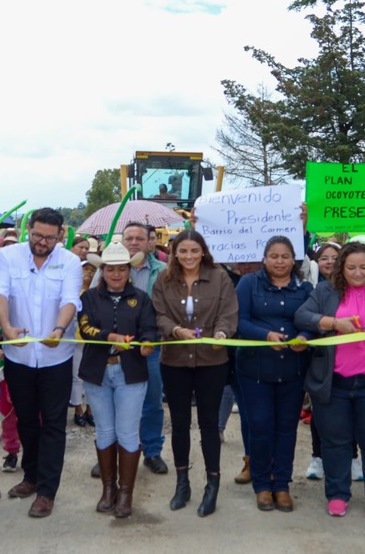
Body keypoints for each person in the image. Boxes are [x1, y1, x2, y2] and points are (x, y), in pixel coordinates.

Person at [294, 241, 365, 521]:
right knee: (335, 443)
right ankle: (337, 494)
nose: (358, 273)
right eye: (351, 267)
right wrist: (333, 323)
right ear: (341, 267)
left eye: (364, 267)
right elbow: (302, 316)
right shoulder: (324, 291)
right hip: (333, 384)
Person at [0, 208, 82, 518]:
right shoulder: (8, 257)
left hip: (57, 357)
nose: (42, 242)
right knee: (27, 420)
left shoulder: (69, 262)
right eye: (38, 235)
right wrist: (6, 328)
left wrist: (59, 329)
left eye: (50, 238)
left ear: (61, 235)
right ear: (28, 228)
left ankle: (47, 491)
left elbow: (71, 299)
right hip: (19, 356)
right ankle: (30, 476)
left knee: (54, 424)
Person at [152, 229, 238, 517]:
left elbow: (228, 311)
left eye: (194, 251)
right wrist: (176, 331)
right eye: (183, 251)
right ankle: (182, 484)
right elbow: (159, 315)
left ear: (203, 251)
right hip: (174, 359)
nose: (189, 256)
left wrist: (223, 332)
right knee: (179, 424)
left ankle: (211, 485)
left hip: (212, 360)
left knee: (209, 424)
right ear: (175, 252)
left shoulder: (220, 277)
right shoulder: (163, 279)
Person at [78, 236, 158, 518]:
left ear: (129, 269)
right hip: (97, 373)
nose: (116, 273)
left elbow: (150, 328)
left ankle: (126, 492)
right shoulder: (88, 297)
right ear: (103, 270)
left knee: (126, 431)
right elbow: (84, 328)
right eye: (110, 269)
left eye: (121, 268)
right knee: (105, 431)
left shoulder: (142, 299)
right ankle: (108, 488)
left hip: (131, 372)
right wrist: (109, 336)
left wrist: (148, 343)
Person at [234, 236, 311, 512]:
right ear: (265, 259)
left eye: (285, 256)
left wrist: (303, 336)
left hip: (292, 370)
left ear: (294, 259)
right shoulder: (248, 284)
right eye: (274, 256)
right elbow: (239, 321)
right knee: (261, 426)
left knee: (286, 429)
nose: (280, 261)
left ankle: (281, 484)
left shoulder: (305, 288)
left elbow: (311, 320)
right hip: (255, 369)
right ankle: (262, 485)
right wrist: (265, 335)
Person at [120, 222, 170, 475]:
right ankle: (112, 451)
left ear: (150, 242)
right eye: (129, 238)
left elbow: (170, 308)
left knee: (151, 402)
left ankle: (152, 452)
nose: (134, 242)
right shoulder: (110, 268)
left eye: (140, 238)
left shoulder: (164, 271)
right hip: (116, 348)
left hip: (151, 347)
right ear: (122, 241)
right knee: (117, 404)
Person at [305, 241, 344, 480]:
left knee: (350, 414)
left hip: (350, 361)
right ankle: (317, 458)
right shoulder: (312, 287)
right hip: (320, 360)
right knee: (321, 412)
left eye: (334, 257)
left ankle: (352, 458)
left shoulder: (355, 286)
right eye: (324, 258)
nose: (329, 262)